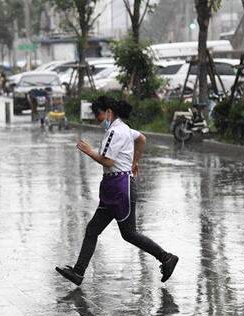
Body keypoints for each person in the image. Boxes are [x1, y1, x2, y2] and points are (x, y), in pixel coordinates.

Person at [56, 96, 179, 286]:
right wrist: (135, 161)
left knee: (129, 233)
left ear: (108, 112)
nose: (97, 119)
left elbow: (108, 161)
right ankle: (78, 272)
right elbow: (142, 139)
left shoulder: (116, 131)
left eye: (98, 114)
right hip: (112, 188)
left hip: (120, 188)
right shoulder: (125, 129)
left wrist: (89, 151)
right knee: (93, 229)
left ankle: (166, 257)